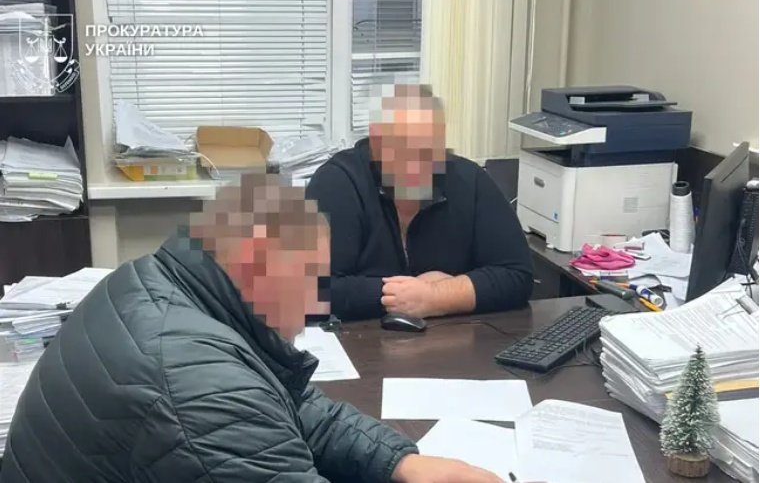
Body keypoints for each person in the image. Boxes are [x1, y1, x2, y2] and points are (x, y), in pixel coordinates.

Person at [0, 174, 504, 483]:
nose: (315, 303)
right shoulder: (197, 384)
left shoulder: (162, 283)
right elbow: (233, 410)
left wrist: (399, 463)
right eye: (308, 279)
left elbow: (283, 399)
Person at [306, 84, 533, 321]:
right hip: (359, 338)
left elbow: (517, 274)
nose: (417, 165)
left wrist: (436, 297)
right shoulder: (336, 183)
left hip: (450, 338)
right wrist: (402, 296)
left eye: (428, 151)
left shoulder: (468, 180)